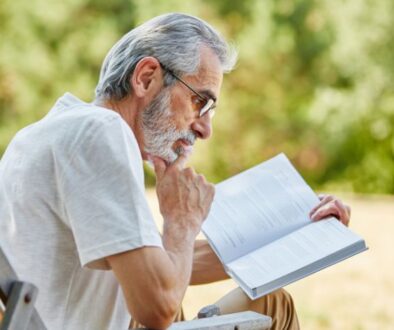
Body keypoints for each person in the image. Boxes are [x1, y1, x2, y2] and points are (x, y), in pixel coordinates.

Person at [0, 13, 351, 330]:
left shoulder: (54, 131)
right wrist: (181, 221)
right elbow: (157, 307)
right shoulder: (102, 133)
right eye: (201, 101)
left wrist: (296, 228)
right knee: (274, 307)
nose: (205, 129)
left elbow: (163, 261)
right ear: (147, 77)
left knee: (266, 299)